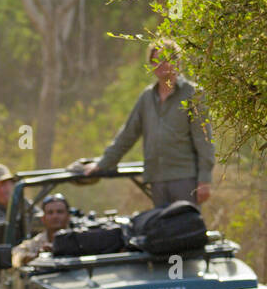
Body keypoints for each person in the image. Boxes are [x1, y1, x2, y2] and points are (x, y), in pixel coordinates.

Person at [70, 38, 215, 207]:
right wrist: (102, 164)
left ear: (176, 60)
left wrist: (204, 180)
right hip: (157, 179)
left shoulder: (193, 94)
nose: (160, 64)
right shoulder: (147, 97)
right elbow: (127, 135)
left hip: (184, 178)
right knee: (160, 228)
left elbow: (204, 140)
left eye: (165, 59)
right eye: (155, 60)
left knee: (185, 228)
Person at [12, 193, 71, 267]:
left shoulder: (79, 239)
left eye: (60, 212)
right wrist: (34, 257)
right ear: (43, 219)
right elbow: (16, 254)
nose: (55, 216)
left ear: (68, 216)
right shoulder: (38, 243)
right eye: (50, 213)